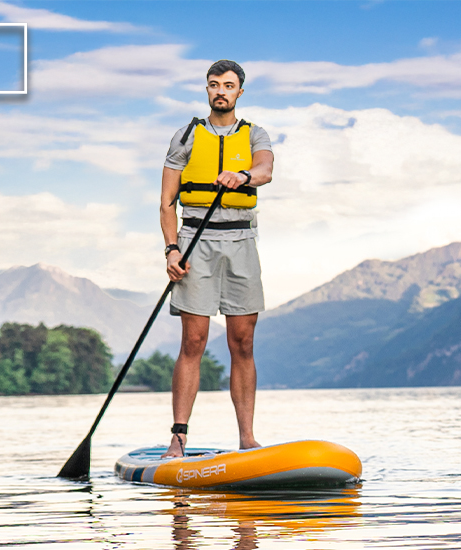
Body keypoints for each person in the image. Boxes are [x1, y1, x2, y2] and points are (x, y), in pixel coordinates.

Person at [159, 60, 274, 458]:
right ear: (206, 90)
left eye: (228, 85)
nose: (220, 91)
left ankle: (247, 438)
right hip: (195, 240)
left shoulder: (255, 134)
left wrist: (241, 175)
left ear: (240, 92)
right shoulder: (186, 136)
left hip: (241, 240)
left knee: (242, 342)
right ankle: (178, 437)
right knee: (194, 340)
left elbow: (265, 170)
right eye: (214, 85)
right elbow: (166, 203)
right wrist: (172, 249)